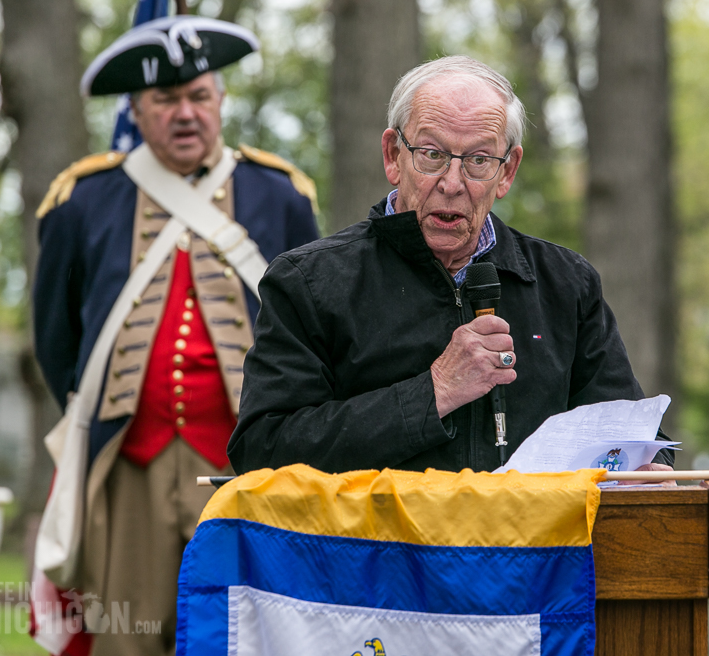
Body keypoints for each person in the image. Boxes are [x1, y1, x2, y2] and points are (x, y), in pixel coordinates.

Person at [228, 55, 674, 475]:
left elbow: (629, 432)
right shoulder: (309, 282)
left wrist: (651, 466)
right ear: (393, 156)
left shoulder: (566, 284)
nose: (453, 183)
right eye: (432, 154)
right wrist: (434, 392)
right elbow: (261, 450)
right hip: (378, 553)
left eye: (479, 160)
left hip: (532, 552)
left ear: (507, 172)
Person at [33, 16, 319, 656]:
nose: (184, 114)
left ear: (221, 101)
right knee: (127, 638)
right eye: (165, 100)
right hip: (131, 463)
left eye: (198, 96)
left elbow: (314, 338)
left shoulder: (279, 195)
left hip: (246, 464)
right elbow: (57, 343)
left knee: (245, 635)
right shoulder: (83, 201)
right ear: (137, 108)